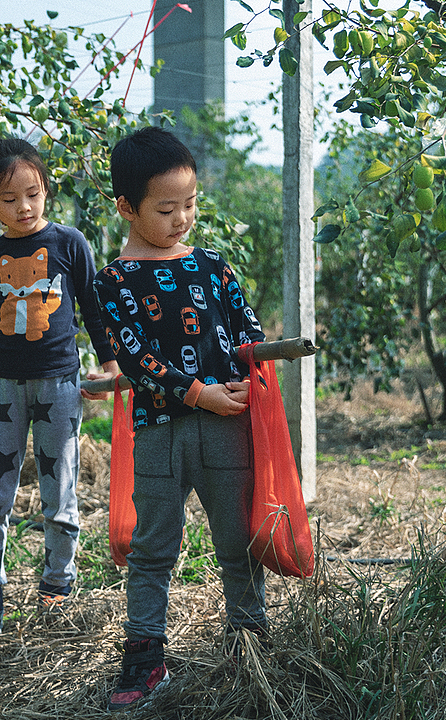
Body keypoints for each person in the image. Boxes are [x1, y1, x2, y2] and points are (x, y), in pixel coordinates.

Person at [93, 126, 268, 711]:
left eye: (190, 204)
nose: (182, 220)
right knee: (153, 548)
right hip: (160, 432)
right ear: (127, 208)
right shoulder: (113, 283)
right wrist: (199, 393)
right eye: (166, 210)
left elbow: (246, 331)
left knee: (237, 539)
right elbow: (137, 359)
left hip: (226, 428)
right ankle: (145, 660)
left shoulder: (213, 268)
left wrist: (250, 370)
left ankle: (249, 646)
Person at [0, 138, 119, 637]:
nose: (24, 207)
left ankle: (57, 588)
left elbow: (93, 311)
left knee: (60, 495)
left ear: (46, 190)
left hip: (60, 386)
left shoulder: (70, 244)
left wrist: (110, 365)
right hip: (3, 389)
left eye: (32, 194)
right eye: (9, 199)